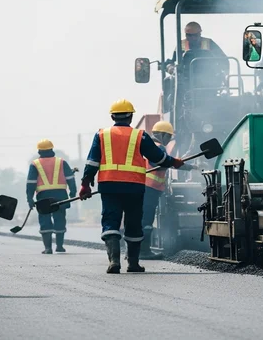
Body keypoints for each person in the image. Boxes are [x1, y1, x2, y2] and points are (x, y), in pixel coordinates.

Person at [79, 99, 184, 273]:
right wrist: (175, 162)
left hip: (109, 186)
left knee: (111, 221)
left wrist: (85, 184)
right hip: (134, 186)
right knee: (134, 223)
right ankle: (133, 263)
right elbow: (159, 158)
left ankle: (114, 261)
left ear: (112, 116)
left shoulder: (101, 135)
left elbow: (92, 162)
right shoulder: (140, 135)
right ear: (131, 117)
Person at [139, 120, 195, 260]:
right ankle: (144, 252)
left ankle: (135, 252)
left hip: (141, 187)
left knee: (140, 220)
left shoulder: (145, 146)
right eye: (169, 137)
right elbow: (163, 162)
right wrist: (187, 166)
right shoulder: (158, 148)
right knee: (146, 222)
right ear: (162, 135)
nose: (169, 140)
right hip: (150, 188)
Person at [26, 139, 77, 254]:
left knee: (45, 220)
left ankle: (48, 248)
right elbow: (70, 178)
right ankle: (59, 246)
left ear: (39, 151)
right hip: (60, 195)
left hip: (43, 196)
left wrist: (29, 198)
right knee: (60, 219)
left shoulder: (35, 164)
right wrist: (72, 192)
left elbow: (31, 182)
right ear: (52, 149)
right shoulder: (61, 162)